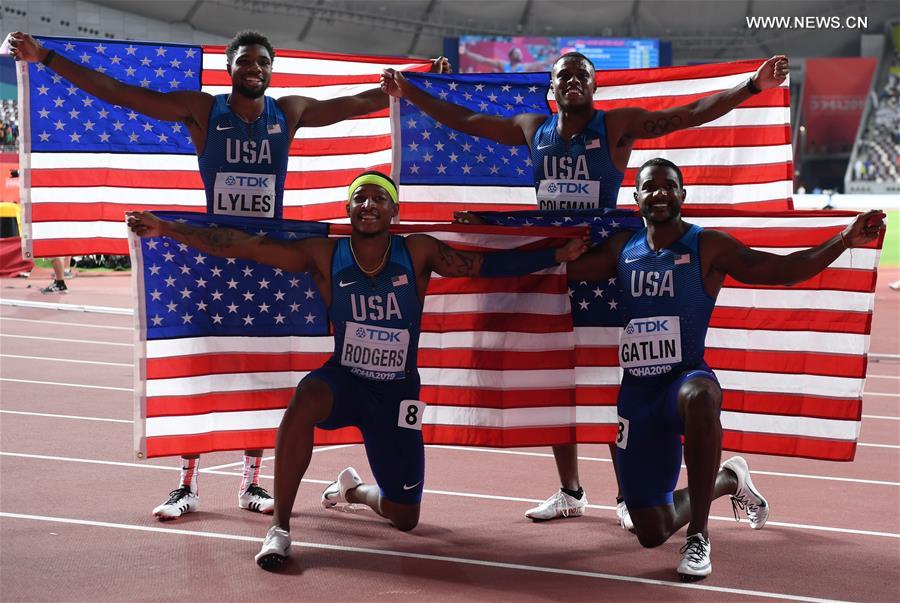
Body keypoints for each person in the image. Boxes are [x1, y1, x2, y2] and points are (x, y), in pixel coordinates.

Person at [7, 29, 450, 521]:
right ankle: (186, 483)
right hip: (210, 255)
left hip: (269, 259)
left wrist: (418, 83)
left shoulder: (291, 112)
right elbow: (123, 94)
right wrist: (46, 57)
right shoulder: (203, 110)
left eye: (262, 62)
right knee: (202, 364)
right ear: (230, 67)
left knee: (262, 368)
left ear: (271, 70)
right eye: (245, 61)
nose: (254, 68)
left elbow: (355, 102)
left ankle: (251, 481)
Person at [382, 51, 789, 527]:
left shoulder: (616, 126)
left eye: (582, 75)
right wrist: (411, 92)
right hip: (559, 264)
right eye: (563, 76)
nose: (572, 82)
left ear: (594, 86)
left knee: (622, 371)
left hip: (613, 264)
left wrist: (752, 87)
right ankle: (571, 490)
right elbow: (468, 120)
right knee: (558, 370)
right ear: (552, 89)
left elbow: (689, 115)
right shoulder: (534, 128)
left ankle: (628, 493)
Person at [126, 170, 589, 570]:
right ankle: (279, 528)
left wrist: (552, 256)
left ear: (394, 211)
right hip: (345, 380)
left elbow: (483, 265)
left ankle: (351, 491)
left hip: (397, 394)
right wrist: (168, 229)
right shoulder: (326, 254)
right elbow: (246, 247)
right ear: (348, 208)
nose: (367, 204)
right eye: (359, 197)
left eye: (378, 197)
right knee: (306, 397)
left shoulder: (419, 251)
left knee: (406, 516)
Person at [562, 157, 885, 580]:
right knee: (650, 532)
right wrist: (486, 236)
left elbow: (782, 271)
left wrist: (843, 240)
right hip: (637, 397)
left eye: (669, 186)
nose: (659, 193)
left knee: (701, 397)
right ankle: (728, 478)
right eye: (650, 187)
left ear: (683, 195)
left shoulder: (707, 246)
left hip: (684, 378)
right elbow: (557, 270)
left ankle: (699, 535)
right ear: (636, 198)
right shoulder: (622, 248)